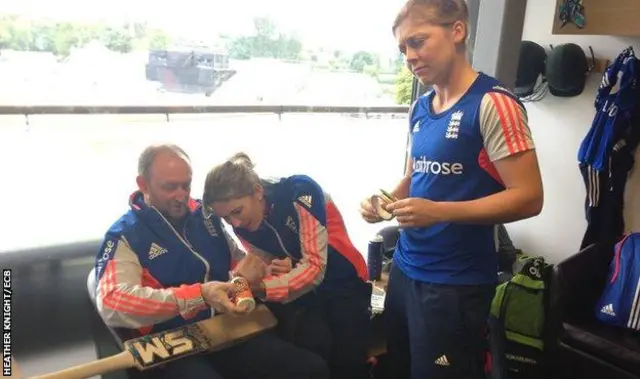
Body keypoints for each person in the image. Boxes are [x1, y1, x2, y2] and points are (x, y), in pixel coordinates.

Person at [359, 1, 544, 378]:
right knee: (398, 367)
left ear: (457, 31)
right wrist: (385, 201)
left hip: (455, 284)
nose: (410, 56)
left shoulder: (494, 104)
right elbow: (415, 177)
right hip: (406, 271)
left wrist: (440, 211)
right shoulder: (422, 108)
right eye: (403, 49)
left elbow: (530, 196)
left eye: (418, 41)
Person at [93, 144, 329, 379]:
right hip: (176, 347)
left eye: (186, 185)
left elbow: (240, 267)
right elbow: (113, 302)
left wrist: (267, 270)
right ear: (143, 185)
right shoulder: (125, 235)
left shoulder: (205, 216)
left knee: (310, 369)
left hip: (226, 330)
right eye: (170, 187)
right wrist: (200, 295)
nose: (181, 196)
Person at [201, 152, 372, 379]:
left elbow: (314, 267)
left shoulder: (300, 191)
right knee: (316, 355)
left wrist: (262, 286)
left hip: (344, 280)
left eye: (237, 211)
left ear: (257, 191)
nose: (235, 223)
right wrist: (259, 274)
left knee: (347, 364)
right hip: (306, 292)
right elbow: (266, 262)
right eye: (226, 218)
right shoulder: (241, 225)